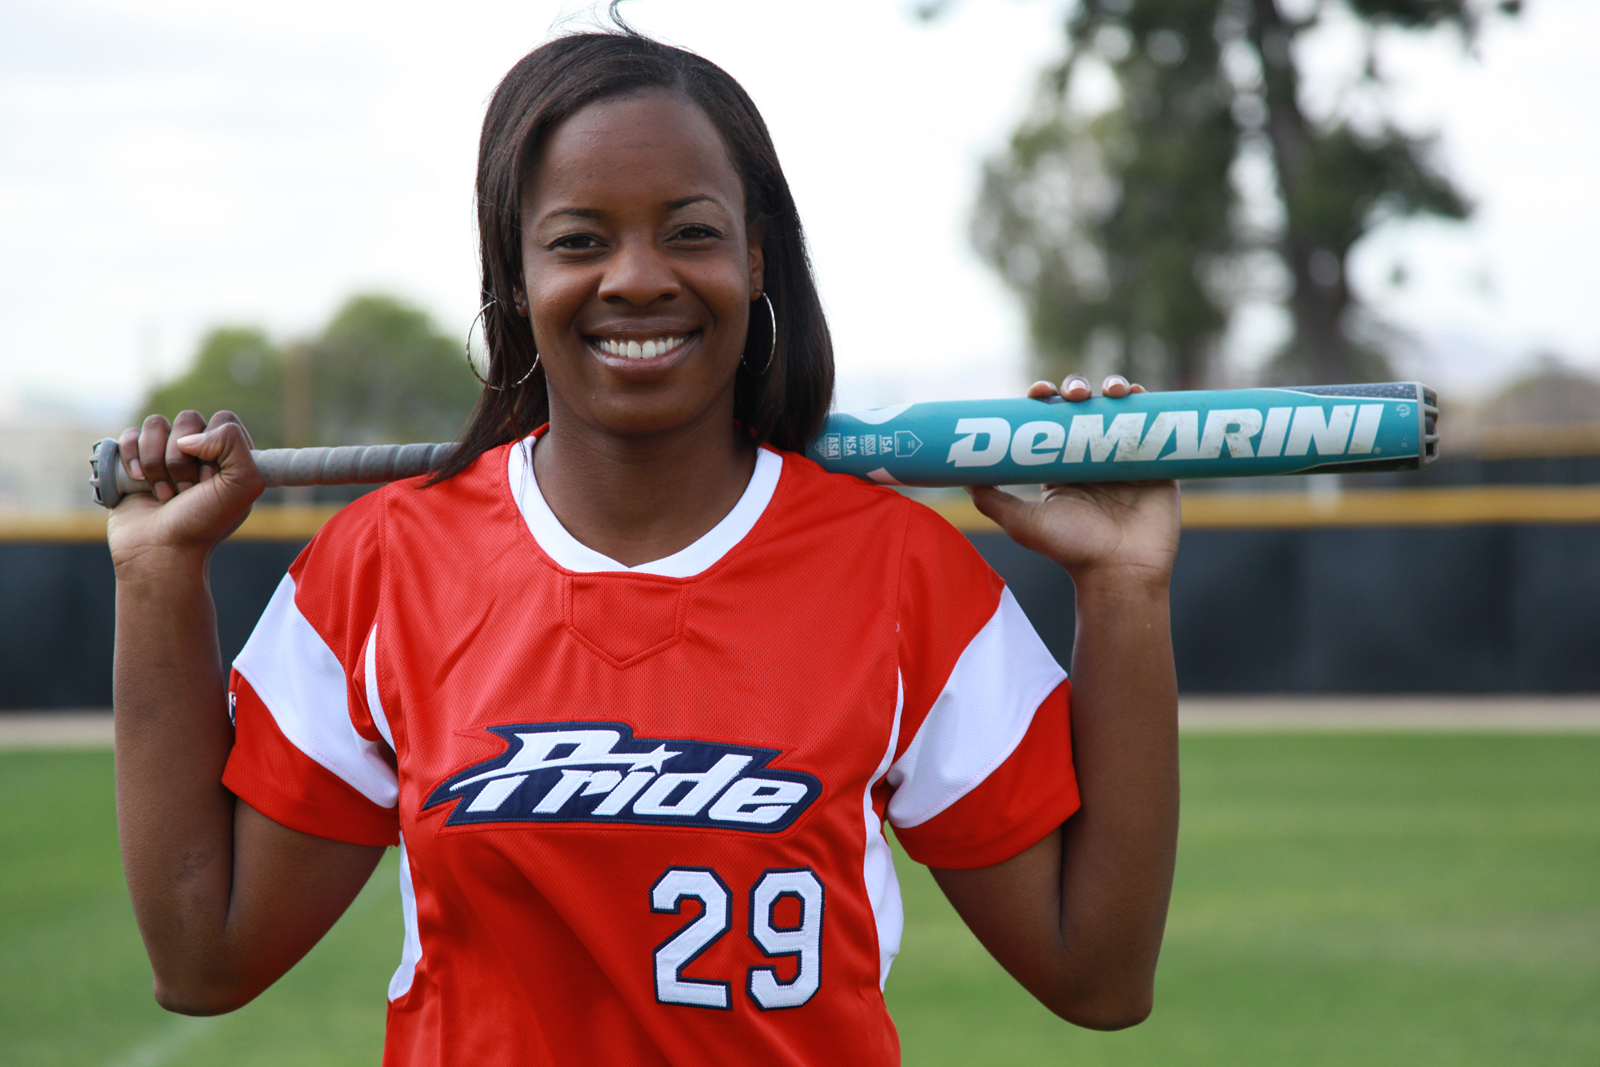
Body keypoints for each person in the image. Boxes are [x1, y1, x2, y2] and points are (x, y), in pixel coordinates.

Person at [108, 30, 1180, 1067]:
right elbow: (208, 956)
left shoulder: (903, 573)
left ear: (755, 259)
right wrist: (155, 575)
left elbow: (1098, 976)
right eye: (578, 239)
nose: (635, 278)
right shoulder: (384, 565)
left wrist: (1122, 587)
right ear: (516, 277)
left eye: (689, 230)